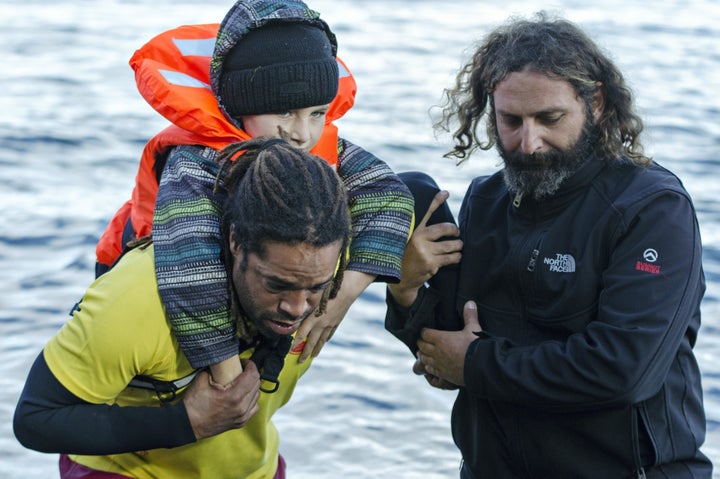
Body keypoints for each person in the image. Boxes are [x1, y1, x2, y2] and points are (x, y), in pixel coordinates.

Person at [385, 12, 713, 478]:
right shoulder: (486, 200)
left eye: (549, 118)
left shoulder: (652, 209)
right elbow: (443, 351)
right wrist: (406, 290)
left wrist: (476, 363)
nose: (529, 142)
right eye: (510, 120)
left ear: (595, 103)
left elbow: (622, 372)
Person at [95, 0, 413, 386]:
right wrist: (228, 377)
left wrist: (342, 296)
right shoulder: (195, 163)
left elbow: (389, 196)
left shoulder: (316, 142)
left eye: (317, 113)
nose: (300, 134)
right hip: (163, 303)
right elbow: (190, 268)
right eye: (282, 112)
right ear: (239, 103)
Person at [14, 137, 351, 479]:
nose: (296, 308)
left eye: (316, 288)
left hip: (251, 468)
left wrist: (366, 298)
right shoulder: (138, 300)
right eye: (276, 285)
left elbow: (407, 190)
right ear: (236, 241)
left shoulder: (323, 256)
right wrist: (187, 422)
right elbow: (35, 419)